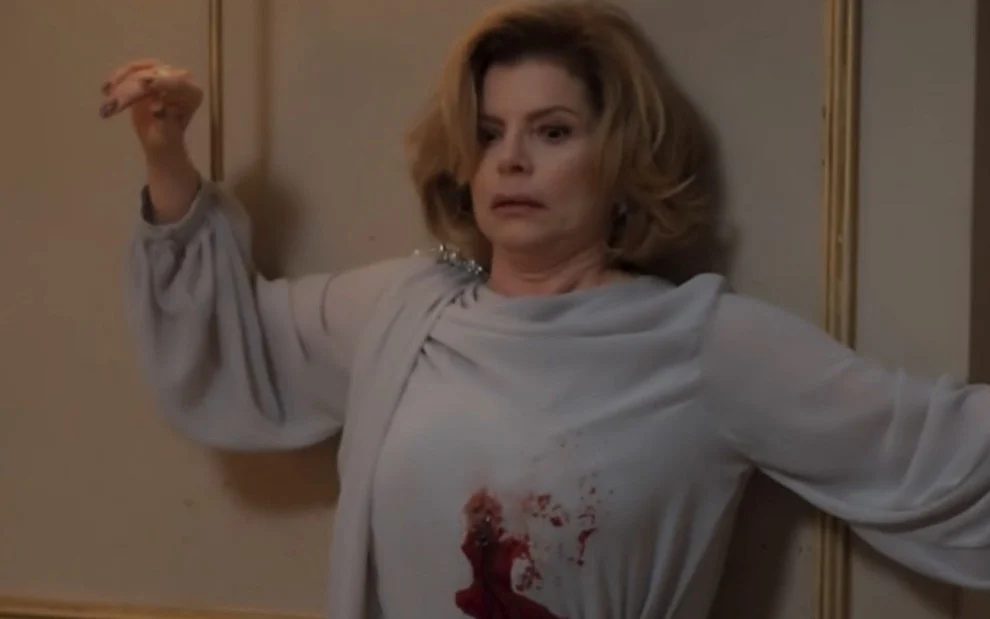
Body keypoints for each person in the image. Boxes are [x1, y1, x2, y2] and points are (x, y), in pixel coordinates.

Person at [100, 1, 989, 618]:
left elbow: (940, 455)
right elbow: (228, 343)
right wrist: (167, 157)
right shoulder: (404, 311)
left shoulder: (698, 342)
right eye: (490, 134)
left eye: (553, 131)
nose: (511, 160)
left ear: (622, 159)